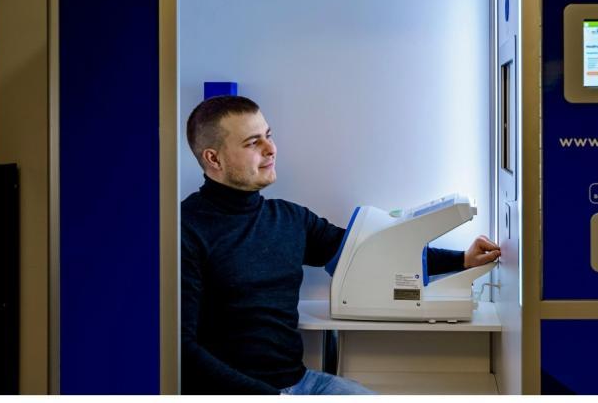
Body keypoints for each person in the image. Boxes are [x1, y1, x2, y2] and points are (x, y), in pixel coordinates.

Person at [181, 95, 501, 395]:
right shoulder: (185, 230)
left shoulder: (290, 219)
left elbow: (367, 252)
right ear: (214, 158)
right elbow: (182, 350)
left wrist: (462, 260)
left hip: (300, 381)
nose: (271, 148)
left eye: (268, 135)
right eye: (253, 142)